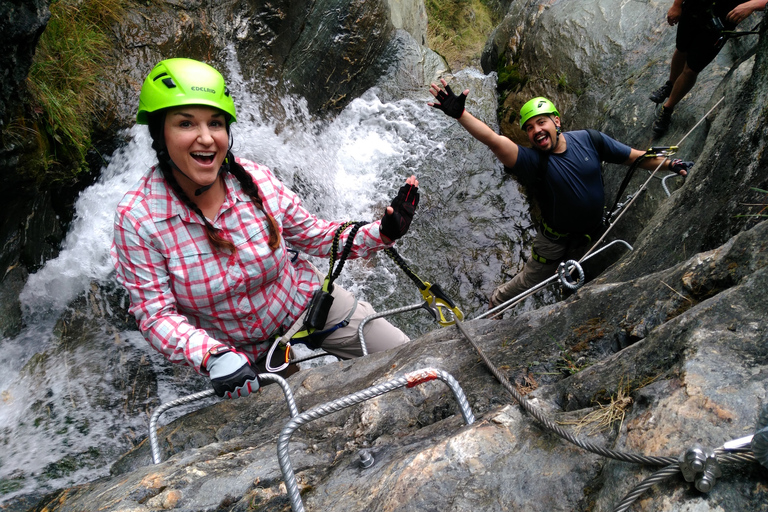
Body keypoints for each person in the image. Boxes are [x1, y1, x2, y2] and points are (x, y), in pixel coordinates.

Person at [112, 58, 419, 399]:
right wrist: (211, 356)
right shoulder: (138, 219)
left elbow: (316, 235)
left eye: (215, 123)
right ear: (160, 134)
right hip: (240, 354)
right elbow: (156, 315)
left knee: (410, 361)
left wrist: (382, 232)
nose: (205, 138)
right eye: (186, 124)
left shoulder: (254, 180)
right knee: (298, 420)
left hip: (306, 304)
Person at [428, 81, 694, 308]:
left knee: (578, 271)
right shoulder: (531, 161)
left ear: (556, 121)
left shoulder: (590, 140)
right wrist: (462, 114)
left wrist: (672, 164)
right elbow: (494, 140)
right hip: (553, 242)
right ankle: (498, 301)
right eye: (529, 128)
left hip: (591, 233)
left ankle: (568, 293)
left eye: (541, 122)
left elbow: (635, 158)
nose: (536, 131)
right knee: (530, 280)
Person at [649, 0, 765, 135]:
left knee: (692, 69)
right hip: (694, 9)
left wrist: (753, 5)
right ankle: (671, 84)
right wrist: (677, 5)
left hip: (720, 23)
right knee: (682, 48)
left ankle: (668, 107)